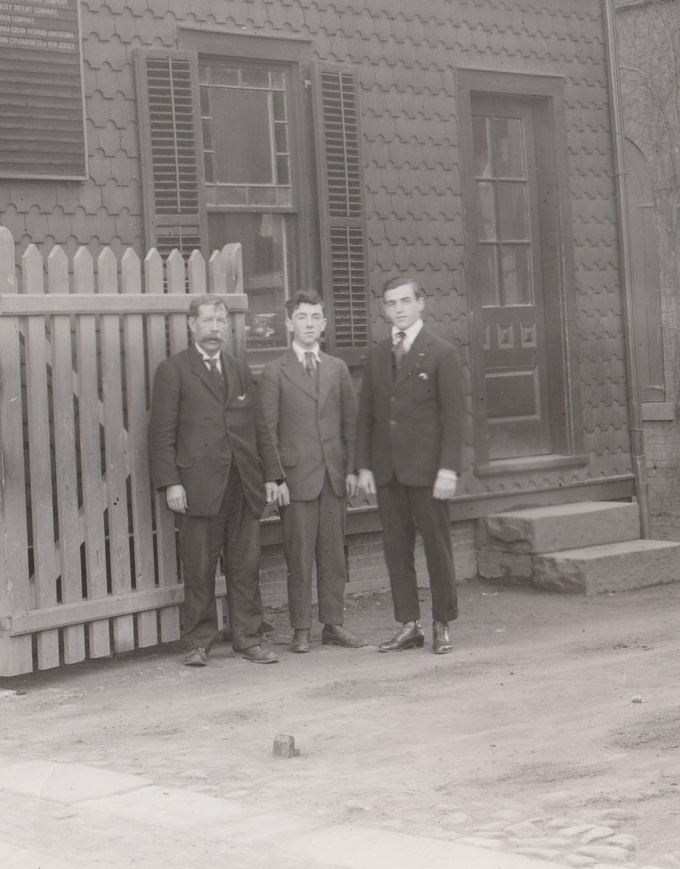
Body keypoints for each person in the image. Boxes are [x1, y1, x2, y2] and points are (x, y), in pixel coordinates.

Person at [148, 295, 285, 666]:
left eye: (220, 321)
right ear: (192, 325)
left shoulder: (238, 368)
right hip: (198, 485)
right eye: (207, 320)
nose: (215, 328)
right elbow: (161, 433)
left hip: (242, 482)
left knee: (246, 566)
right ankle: (199, 642)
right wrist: (171, 483)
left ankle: (248, 639)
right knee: (199, 568)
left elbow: (258, 425)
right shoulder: (174, 370)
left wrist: (271, 474)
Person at [354, 276, 470, 655]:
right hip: (388, 470)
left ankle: (442, 623)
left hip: (428, 471)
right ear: (383, 309)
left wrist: (448, 469)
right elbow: (367, 415)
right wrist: (364, 466)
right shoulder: (377, 355)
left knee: (437, 548)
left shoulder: (441, 353)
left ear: (421, 303)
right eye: (391, 303)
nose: (398, 309)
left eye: (405, 301)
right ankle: (409, 624)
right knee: (396, 548)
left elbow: (454, 418)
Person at [256, 290, 365, 653]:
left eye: (316, 317)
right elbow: (267, 431)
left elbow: (351, 424)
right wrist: (275, 477)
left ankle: (333, 624)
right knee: (299, 556)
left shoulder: (337, 368)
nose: (309, 324)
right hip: (296, 479)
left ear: (324, 324)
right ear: (289, 323)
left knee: (333, 556)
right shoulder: (275, 371)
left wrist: (352, 469)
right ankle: (300, 627)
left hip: (333, 477)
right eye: (302, 317)